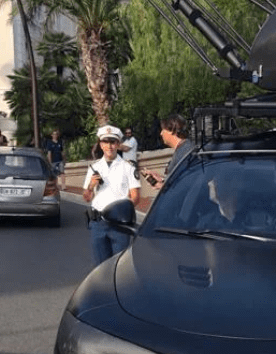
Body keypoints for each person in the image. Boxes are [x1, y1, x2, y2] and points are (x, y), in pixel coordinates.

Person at [83, 124, 141, 266]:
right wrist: (91, 186)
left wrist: (122, 210)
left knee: (119, 266)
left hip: (119, 225)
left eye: (113, 142)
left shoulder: (128, 167)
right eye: (105, 142)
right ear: (101, 145)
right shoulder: (94, 168)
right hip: (98, 224)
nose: (109, 146)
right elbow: (87, 197)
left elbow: (135, 197)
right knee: (100, 267)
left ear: (118, 144)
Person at [142, 114, 193, 190]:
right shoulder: (187, 147)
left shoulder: (183, 154)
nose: (161, 133)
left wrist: (161, 186)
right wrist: (161, 179)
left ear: (171, 130)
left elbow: (183, 185)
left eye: (163, 130)